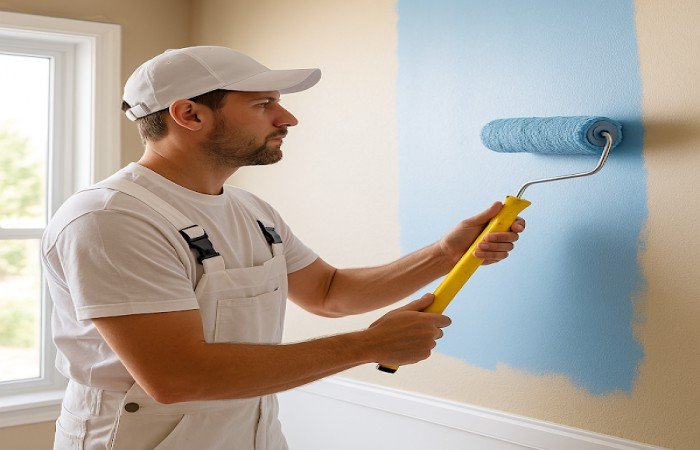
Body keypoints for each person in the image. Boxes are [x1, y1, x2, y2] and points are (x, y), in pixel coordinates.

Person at [42, 46, 526, 450]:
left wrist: (446, 253)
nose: (287, 117)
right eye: (263, 104)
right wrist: (368, 345)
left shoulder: (251, 210)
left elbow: (329, 292)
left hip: (251, 433)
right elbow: (177, 377)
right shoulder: (111, 219)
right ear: (189, 114)